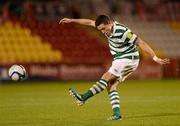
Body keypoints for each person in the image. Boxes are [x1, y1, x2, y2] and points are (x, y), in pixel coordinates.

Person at [59, 15, 170, 120]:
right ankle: (117, 114)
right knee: (111, 85)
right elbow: (89, 22)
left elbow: (141, 42)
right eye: (100, 30)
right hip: (121, 59)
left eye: (103, 28)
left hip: (128, 58)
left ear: (110, 23)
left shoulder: (123, 31)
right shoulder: (103, 26)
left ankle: (83, 97)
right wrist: (72, 20)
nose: (102, 31)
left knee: (106, 76)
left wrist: (155, 58)